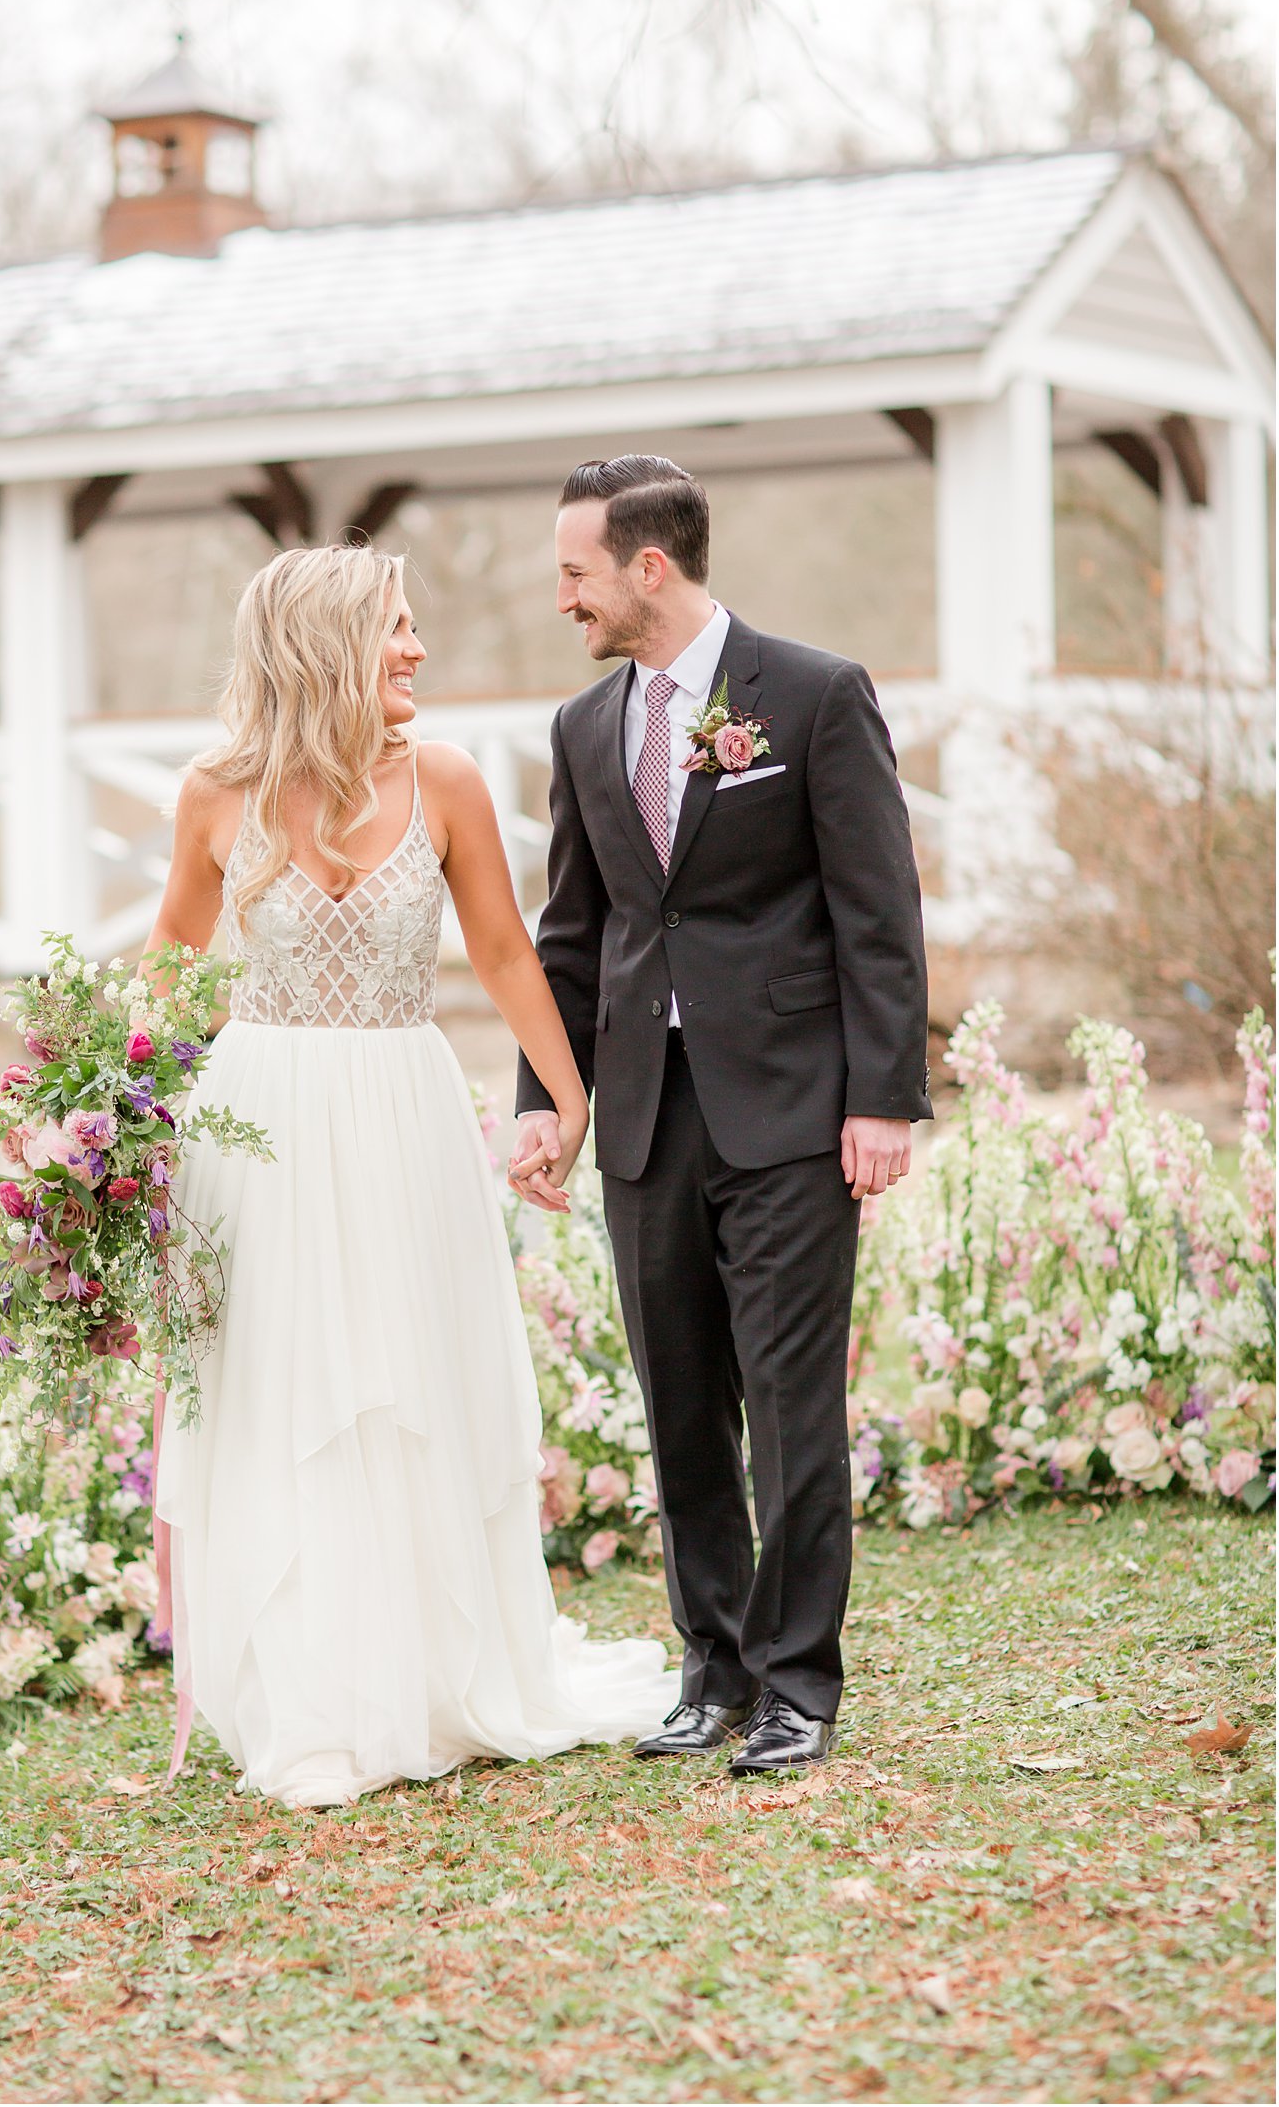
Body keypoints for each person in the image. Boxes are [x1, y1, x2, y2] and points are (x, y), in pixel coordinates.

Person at [145, 542, 676, 1808]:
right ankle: (312, 1709)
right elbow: (167, 967)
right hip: (257, 1126)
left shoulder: (442, 780)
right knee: (283, 1398)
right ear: (325, 644)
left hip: (400, 1111)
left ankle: (434, 1678)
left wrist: (563, 1096)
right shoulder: (214, 793)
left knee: (406, 1383)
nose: (415, 649)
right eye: (393, 627)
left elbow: (502, 954)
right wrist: (96, 1123)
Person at [511, 456, 930, 1775]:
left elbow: (878, 911)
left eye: (575, 570)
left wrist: (885, 1098)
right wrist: (546, 1101)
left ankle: (799, 1684)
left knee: (795, 1402)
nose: (559, 595)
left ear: (648, 567)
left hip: (797, 1110)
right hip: (643, 1116)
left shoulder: (814, 694)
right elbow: (571, 934)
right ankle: (714, 1668)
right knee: (681, 1399)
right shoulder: (583, 731)